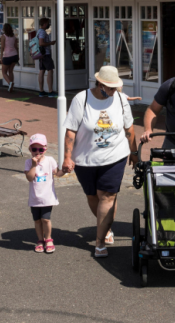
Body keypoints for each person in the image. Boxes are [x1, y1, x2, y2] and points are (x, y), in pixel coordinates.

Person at [62, 65, 135, 259]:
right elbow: (71, 130)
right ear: (99, 83)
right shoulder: (82, 99)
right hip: (86, 158)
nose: (114, 91)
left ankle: (100, 241)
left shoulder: (120, 99)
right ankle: (106, 228)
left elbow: (129, 127)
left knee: (108, 195)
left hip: (115, 156)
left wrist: (134, 152)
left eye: (115, 87)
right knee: (92, 196)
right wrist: (67, 157)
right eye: (110, 87)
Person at [23, 133, 58, 254]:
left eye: (41, 149)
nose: (37, 152)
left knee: (46, 219)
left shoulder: (50, 160)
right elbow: (29, 178)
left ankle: (48, 239)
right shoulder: (28, 162)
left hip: (47, 197)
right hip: (35, 198)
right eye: (34, 149)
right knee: (37, 220)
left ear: (45, 149)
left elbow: (57, 173)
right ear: (30, 150)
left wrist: (64, 170)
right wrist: (34, 165)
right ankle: (40, 240)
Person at [34, 18, 56, 96]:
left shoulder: (39, 31)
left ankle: (41, 91)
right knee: (50, 70)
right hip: (45, 54)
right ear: (44, 24)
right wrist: (50, 43)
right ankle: (50, 91)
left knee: (42, 71)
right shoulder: (42, 32)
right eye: (47, 23)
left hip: (41, 54)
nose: (48, 25)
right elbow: (41, 43)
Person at [0, 22, 18, 91]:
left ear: (4, 29)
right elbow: (16, 46)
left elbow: (2, 47)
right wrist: (18, 55)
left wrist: (1, 57)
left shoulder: (3, 36)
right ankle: (11, 86)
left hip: (7, 56)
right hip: (14, 55)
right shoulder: (13, 36)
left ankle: (10, 83)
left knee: (4, 72)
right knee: (11, 71)